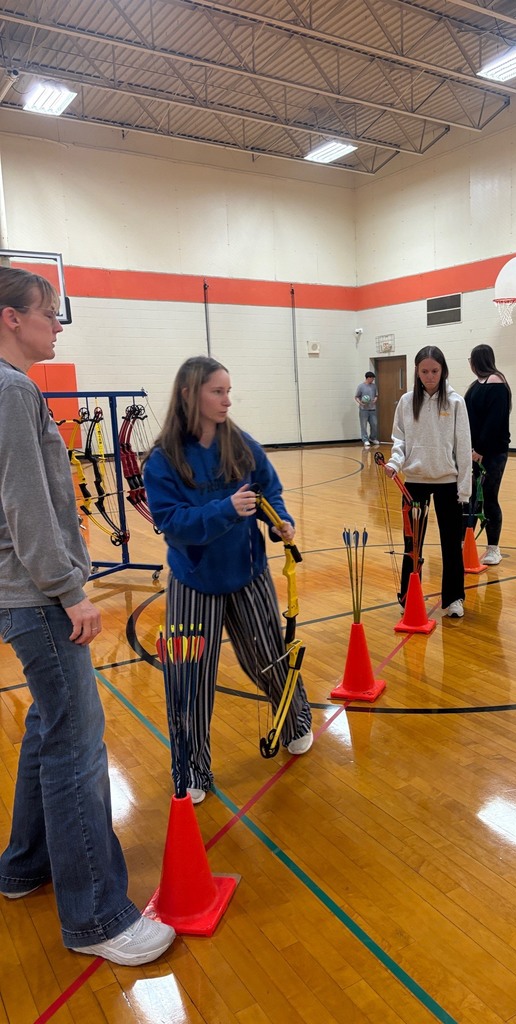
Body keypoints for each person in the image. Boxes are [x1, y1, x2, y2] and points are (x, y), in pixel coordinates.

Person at [0, 267, 175, 966]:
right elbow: (26, 505)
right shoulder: (12, 390)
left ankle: (22, 866)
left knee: (49, 729)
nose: (58, 324)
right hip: (38, 599)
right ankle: (97, 914)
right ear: (12, 318)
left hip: (25, 594)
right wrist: (69, 587)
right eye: (48, 312)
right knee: (76, 747)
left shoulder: (13, 389)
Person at [143, 356, 313, 804]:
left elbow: (268, 489)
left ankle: (296, 720)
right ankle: (193, 769)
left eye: (228, 391)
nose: (227, 400)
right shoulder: (163, 460)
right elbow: (171, 521)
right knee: (189, 679)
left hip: (248, 573)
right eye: (217, 392)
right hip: (193, 580)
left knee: (269, 659)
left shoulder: (241, 443)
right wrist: (224, 509)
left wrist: (281, 520)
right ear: (189, 394)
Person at [384, 346, 471, 618]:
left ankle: (454, 598)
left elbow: (463, 446)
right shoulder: (407, 402)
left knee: (450, 544)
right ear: (417, 372)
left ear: (443, 370)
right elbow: (400, 440)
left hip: (448, 483)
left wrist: (464, 489)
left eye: (435, 371)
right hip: (415, 482)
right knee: (413, 544)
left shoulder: (456, 402)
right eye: (424, 371)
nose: (430, 376)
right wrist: (395, 463)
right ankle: (409, 595)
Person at [465, 344, 511, 565]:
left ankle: (493, 548)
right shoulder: (476, 384)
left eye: (471, 359)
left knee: (489, 498)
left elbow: (494, 422)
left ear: (478, 360)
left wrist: (480, 450)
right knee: (471, 498)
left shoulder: (496, 383)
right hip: (472, 452)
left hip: (491, 454)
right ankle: (467, 542)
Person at [355, 371, 379, 447]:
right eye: (372, 378)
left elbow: (376, 395)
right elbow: (356, 397)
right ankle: (365, 439)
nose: (373, 380)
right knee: (363, 425)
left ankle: (372, 438)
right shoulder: (361, 386)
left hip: (372, 409)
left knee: (374, 424)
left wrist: (375, 399)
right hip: (363, 409)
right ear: (368, 378)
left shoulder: (374, 386)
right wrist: (360, 403)